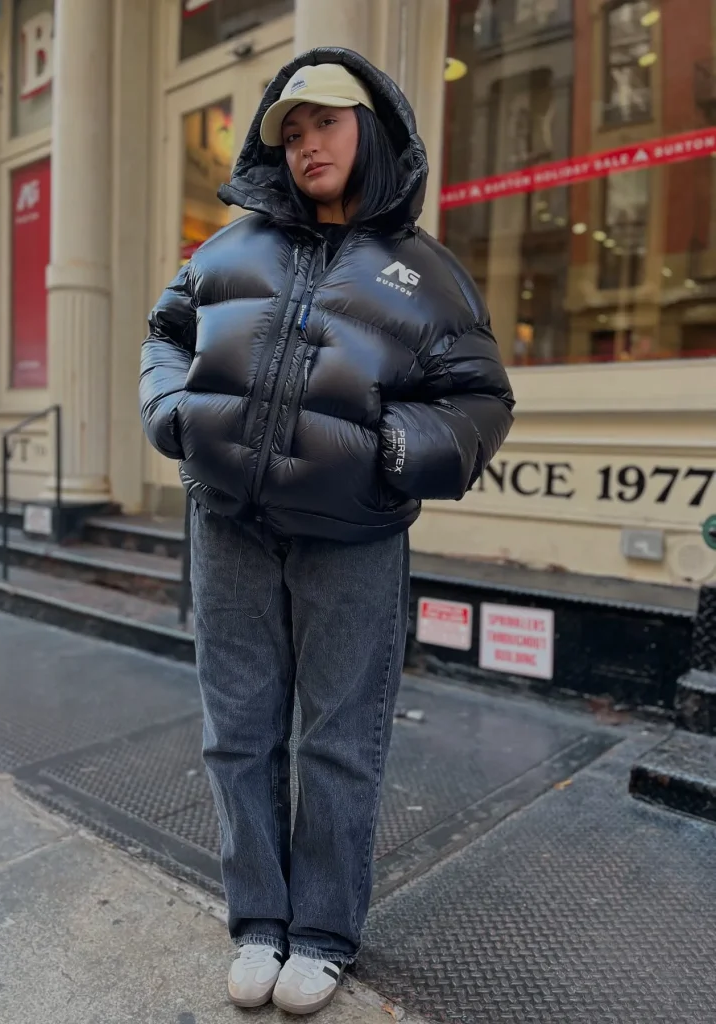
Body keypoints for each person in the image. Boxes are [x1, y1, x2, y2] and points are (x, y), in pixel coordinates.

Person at [140, 48, 514, 1016]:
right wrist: (174, 415)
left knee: (341, 742)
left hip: (352, 537)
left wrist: (391, 448)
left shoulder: (428, 276)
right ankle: (258, 921)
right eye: (293, 132)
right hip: (228, 523)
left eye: (327, 124)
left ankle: (322, 934)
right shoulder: (228, 252)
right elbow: (166, 335)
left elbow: (479, 401)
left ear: (370, 130)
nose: (308, 144)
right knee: (237, 734)